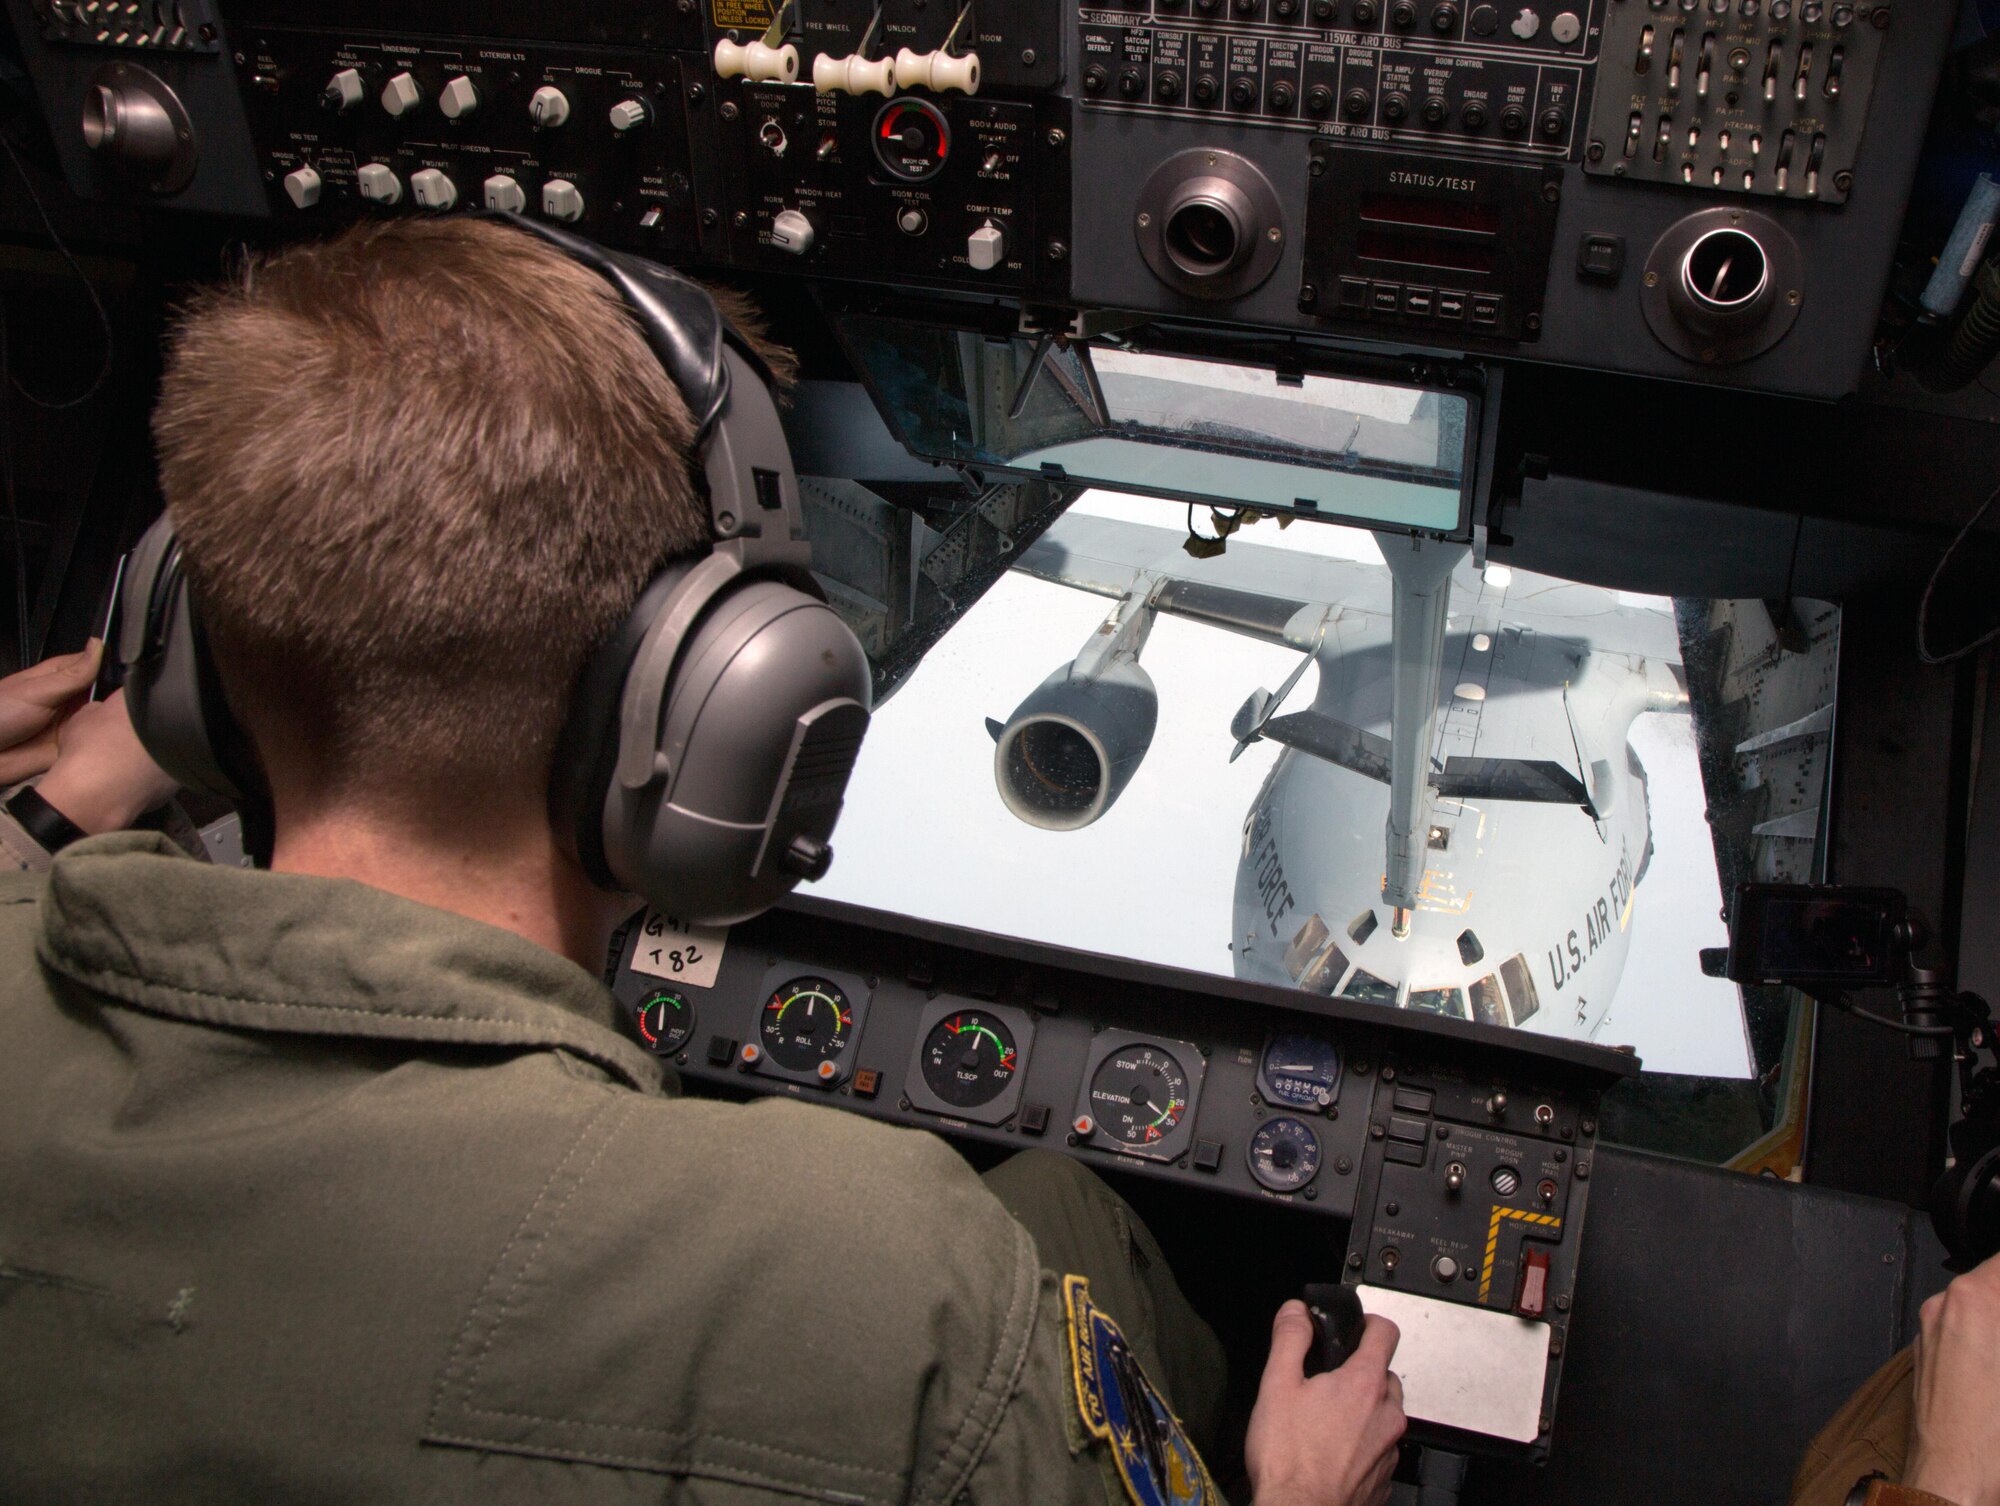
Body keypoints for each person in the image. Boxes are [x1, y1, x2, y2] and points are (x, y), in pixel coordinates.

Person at [0, 216, 1407, 1506]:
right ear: (722, 709)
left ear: (180, 644)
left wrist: (61, 798)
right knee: (1062, 1206)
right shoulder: (885, 1283)